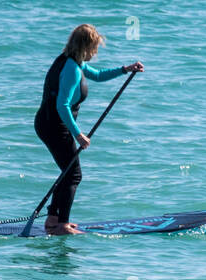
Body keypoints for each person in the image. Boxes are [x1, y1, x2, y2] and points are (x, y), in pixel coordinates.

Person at [34, 24, 143, 234]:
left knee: (68, 172)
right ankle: (62, 225)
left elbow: (99, 75)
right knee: (73, 175)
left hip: (50, 124)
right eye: (94, 47)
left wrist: (125, 70)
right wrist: (78, 134)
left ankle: (52, 220)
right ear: (85, 46)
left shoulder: (71, 62)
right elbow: (62, 105)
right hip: (55, 126)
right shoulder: (72, 70)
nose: (95, 52)